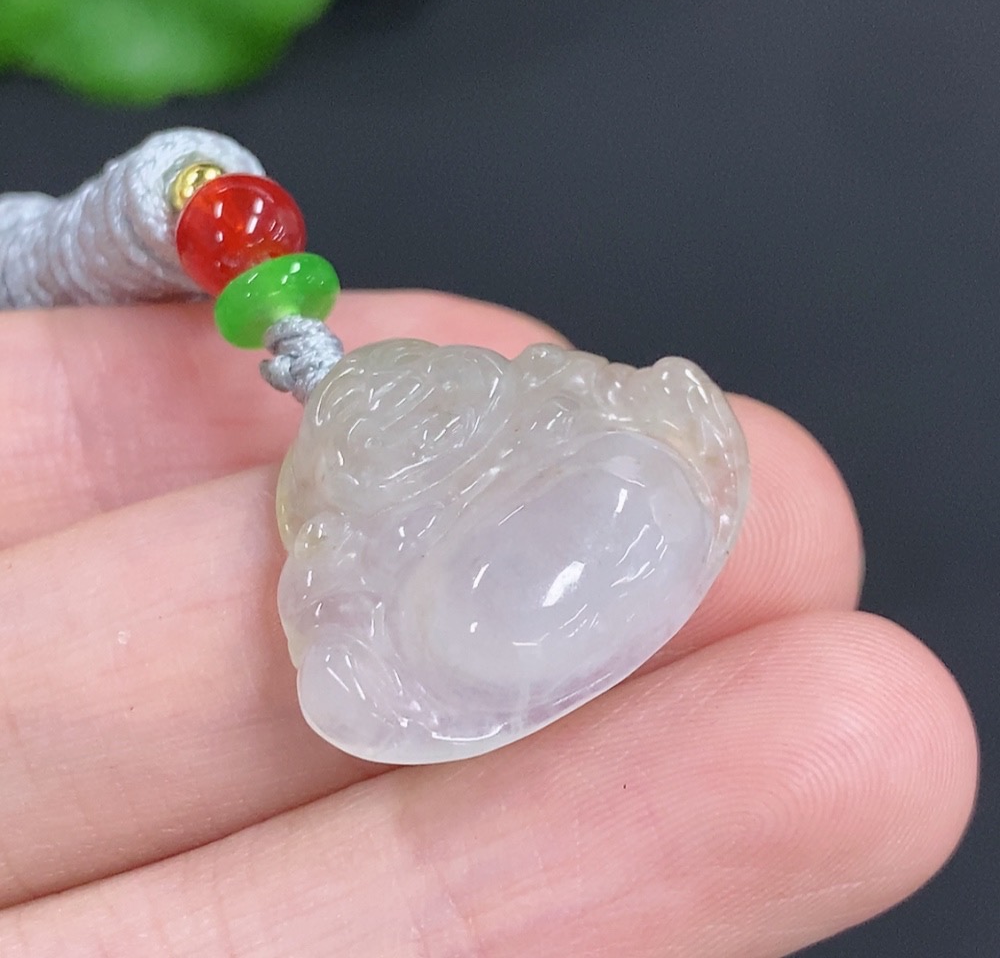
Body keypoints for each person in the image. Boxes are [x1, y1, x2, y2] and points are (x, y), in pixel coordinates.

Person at [0, 291, 978, 956]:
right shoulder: (347, 529)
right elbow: (330, 610)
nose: (404, 422)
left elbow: (639, 401)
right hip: (455, 604)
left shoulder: (554, 408)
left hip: (587, 501)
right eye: (373, 431)